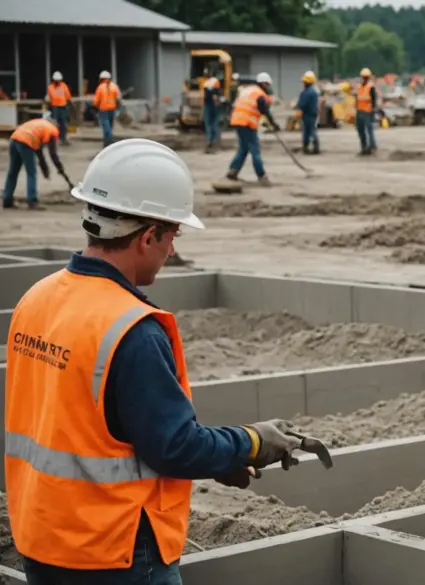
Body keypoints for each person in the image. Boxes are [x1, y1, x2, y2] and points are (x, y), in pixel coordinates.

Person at [4, 138, 327, 585]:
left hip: (43, 539)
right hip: (113, 552)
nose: (173, 249)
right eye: (173, 233)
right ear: (147, 234)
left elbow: (82, 425)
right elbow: (174, 446)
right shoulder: (131, 329)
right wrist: (251, 442)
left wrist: (219, 461)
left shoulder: (35, 300)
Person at [225, 72, 280, 186]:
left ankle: (232, 172)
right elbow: (265, 112)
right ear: (264, 83)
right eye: (268, 85)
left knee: (243, 149)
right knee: (255, 150)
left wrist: (267, 122)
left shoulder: (247, 90)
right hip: (247, 123)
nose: (268, 88)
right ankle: (262, 176)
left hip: (237, 121)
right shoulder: (259, 94)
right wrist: (274, 124)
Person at [3, 118, 65, 211]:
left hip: (15, 138)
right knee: (31, 173)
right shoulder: (53, 131)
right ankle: (32, 201)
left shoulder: (40, 124)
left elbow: (39, 152)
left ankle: (7, 200)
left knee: (13, 172)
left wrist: (45, 169)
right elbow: (53, 154)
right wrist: (60, 167)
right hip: (26, 142)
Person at [92, 70, 121, 147]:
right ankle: (106, 142)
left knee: (106, 126)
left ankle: (109, 141)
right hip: (112, 109)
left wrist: (94, 107)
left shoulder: (100, 87)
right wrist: (118, 108)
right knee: (110, 126)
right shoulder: (114, 86)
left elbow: (96, 100)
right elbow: (118, 98)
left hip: (103, 110)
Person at [297, 70, 321, 155]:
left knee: (309, 131)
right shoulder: (312, 91)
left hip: (308, 114)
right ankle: (310, 147)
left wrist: (299, 109)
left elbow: (303, 103)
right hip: (311, 113)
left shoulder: (308, 92)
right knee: (309, 131)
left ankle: (312, 147)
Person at [45, 71, 72, 145]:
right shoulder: (50, 87)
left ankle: (63, 138)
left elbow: (68, 96)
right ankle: (54, 138)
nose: (57, 82)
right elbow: (49, 98)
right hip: (55, 107)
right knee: (55, 123)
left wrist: (68, 104)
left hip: (62, 107)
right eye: (56, 81)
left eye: (58, 81)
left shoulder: (63, 86)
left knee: (63, 123)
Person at [355, 67, 378, 155]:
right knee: (361, 130)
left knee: (369, 129)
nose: (364, 79)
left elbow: (374, 100)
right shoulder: (359, 87)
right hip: (360, 111)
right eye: (363, 77)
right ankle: (364, 147)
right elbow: (357, 98)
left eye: (365, 77)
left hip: (368, 111)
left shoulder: (371, 87)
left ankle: (371, 146)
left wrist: (373, 110)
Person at [202, 72, 223, 154]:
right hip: (215, 105)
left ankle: (209, 140)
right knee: (215, 123)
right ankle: (215, 141)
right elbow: (215, 95)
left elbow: (210, 95)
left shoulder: (206, 83)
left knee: (209, 123)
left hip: (208, 105)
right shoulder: (215, 81)